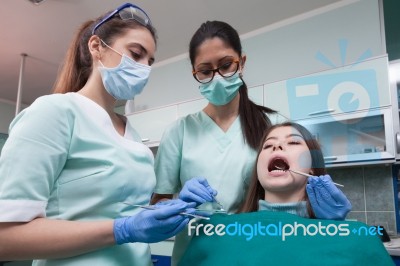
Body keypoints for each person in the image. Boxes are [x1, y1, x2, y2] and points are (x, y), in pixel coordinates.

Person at [0, 3, 204, 265]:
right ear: (96, 47)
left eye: (150, 61)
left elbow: (121, 208)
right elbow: (5, 238)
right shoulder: (55, 112)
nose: (144, 68)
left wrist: (172, 208)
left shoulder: (131, 133)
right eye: (136, 54)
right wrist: (122, 229)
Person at [151, 21, 351, 265]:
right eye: (205, 71)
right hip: (197, 255)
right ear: (195, 73)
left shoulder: (275, 127)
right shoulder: (179, 132)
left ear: (241, 63)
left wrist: (327, 217)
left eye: (226, 65)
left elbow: (300, 192)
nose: (217, 77)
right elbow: (158, 204)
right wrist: (178, 204)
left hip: (260, 252)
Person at [178, 122, 391, 266]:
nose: (277, 145)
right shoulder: (214, 230)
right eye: (268, 145)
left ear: (312, 168)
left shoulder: (355, 236)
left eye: (293, 142)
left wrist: (337, 229)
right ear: (258, 170)